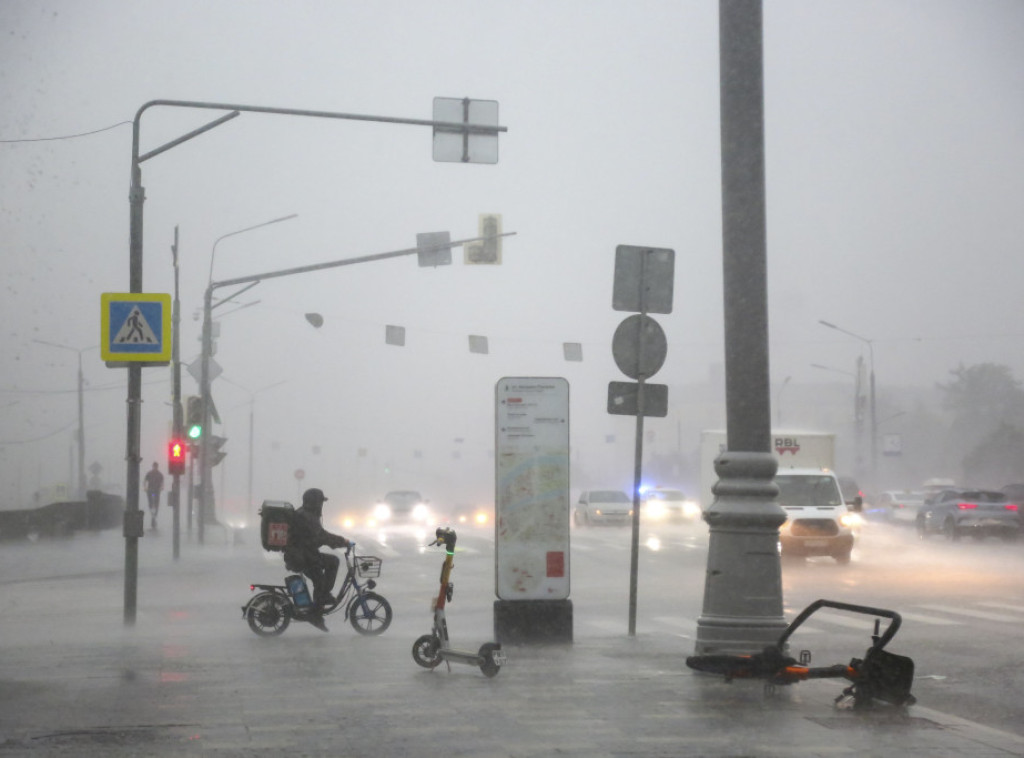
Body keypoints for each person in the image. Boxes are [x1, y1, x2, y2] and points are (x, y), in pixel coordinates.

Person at [282, 488, 350, 632]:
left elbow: (320, 535)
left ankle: (321, 602)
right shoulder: (305, 516)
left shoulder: (306, 514)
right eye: (320, 502)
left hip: (305, 555)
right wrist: (342, 541)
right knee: (323, 576)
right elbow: (321, 537)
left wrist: (339, 541)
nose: (321, 505)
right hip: (302, 557)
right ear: (315, 502)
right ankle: (315, 613)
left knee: (329, 566)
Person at [143, 462, 164, 529]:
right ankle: (153, 516)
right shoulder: (149, 474)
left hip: (156, 491)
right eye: (154, 466)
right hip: (150, 491)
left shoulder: (160, 475)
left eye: (156, 466)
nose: (155, 468)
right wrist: (145, 487)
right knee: (151, 504)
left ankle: (154, 516)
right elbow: (145, 481)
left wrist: (161, 488)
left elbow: (162, 483)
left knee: (156, 504)